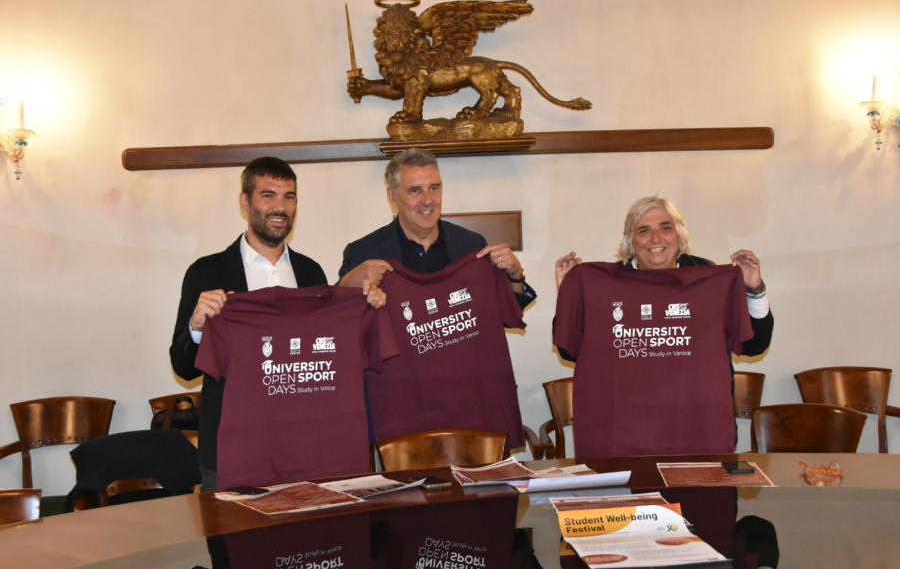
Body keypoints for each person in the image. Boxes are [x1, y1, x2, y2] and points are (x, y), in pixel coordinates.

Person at [169, 156, 384, 491]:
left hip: (302, 448)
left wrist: (365, 308)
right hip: (231, 451)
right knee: (231, 528)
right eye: (268, 195)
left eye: (289, 197)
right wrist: (196, 328)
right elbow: (182, 367)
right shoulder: (207, 272)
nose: (280, 207)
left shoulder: (311, 273)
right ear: (245, 202)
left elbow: (325, 354)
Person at [553, 195, 773, 457]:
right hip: (624, 436)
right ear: (630, 240)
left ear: (679, 235)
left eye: (665, 227)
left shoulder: (708, 277)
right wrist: (568, 298)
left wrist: (753, 289)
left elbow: (754, 345)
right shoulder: (603, 285)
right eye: (643, 230)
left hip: (697, 431)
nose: (655, 238)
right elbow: (570, 350)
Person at [338, 148, 536, 308]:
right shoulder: (362, 253)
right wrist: (347, 285)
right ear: (393, 196)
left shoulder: (471, 246)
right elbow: (338, 321)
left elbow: (504, 313)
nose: (427, 200)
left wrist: (516, 275)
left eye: (434, 188)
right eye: (415, 191)